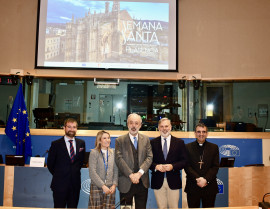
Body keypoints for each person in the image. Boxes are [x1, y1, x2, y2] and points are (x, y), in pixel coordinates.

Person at [115, 113, 153, 209]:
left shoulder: (146, 139)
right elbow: (119, 159)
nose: (133, 126)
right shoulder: (120, 140)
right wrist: (131, 175)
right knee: (125, 208)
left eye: (136, 123)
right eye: (131, 123)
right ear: (127, 124)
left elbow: (149, 157)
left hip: (142, 182)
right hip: (126, 182)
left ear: (140, 125)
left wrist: (139, 174)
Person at [47, 118, 85, 208]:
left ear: (77, 129)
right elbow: (50, 164)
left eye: (74, 127)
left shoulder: (81, 143)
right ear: (64, 128)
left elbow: (80, 162)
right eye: (69, 127)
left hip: (75, 185)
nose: (72, 129)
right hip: (60, 185)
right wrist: (60, 174)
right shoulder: (55, 144)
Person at [150, 118, 188, 208]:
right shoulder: (152, 143)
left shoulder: (179, 142)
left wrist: (173, 166)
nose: (164, 129)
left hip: (173, 181)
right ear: (158, 128)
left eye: (166, 126)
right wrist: (156, 166)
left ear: (170, 127)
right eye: (162, 126)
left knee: (174, 207)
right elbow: (148, 161)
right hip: (158, 181)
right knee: (161, 207)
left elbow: (184, 161)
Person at [184, 123, 219, 208]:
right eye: (199, 132)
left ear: (207, 133)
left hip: (209, 187)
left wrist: (206, 179)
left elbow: (215, 166)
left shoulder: (214, 147)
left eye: (204, 132)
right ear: (195, 133)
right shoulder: (187, 147)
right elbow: (187, 166)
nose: (201, 134)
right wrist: (198, 179)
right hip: (193, 186)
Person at [88, 130, 118, 209]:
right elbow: (92, 172)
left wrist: (114, 185)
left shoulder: (113, 153)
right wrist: (102, 186)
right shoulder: (94, 153)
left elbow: (116, 170)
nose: (107, 140)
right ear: (99, 140)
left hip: (110, 188)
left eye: (108, 138)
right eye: (104, 138)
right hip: (97, 187)